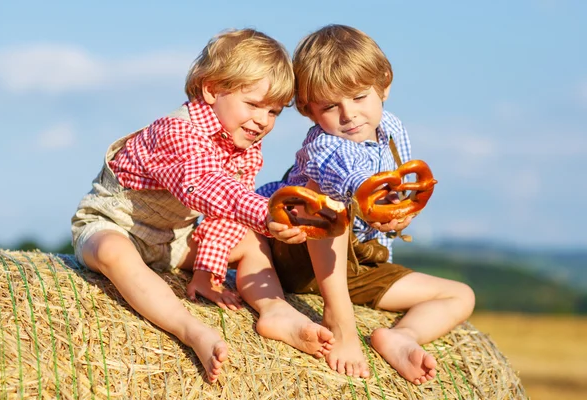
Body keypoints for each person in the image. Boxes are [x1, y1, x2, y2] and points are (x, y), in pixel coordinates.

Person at [71, 28, 334, 384]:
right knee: (114, 252)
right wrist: (267, 212)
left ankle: (275, 310)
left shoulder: (245, 149)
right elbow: (204, 186)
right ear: (211, 89)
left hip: (173, 240)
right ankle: (191, 330)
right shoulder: (176, 132)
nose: (263, 121)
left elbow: (226, 213)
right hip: (114, 225)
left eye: (273, 111)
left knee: (252, 241)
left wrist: (206, 271)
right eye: (253, 104)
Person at [257, 24, 475, 385]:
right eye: (331, 106)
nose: (349, 115)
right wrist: (367, 195)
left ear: (383, 86)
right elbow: (348, 175)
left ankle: (402, 336)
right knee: (328, 202)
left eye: (359, 97)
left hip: (358, 265)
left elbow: (397, 191)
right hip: (297, 254)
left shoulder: (393, 130)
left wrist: (395, 214)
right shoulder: (325, 145)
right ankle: (340, 322)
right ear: (308, 110)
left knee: (458, 296)